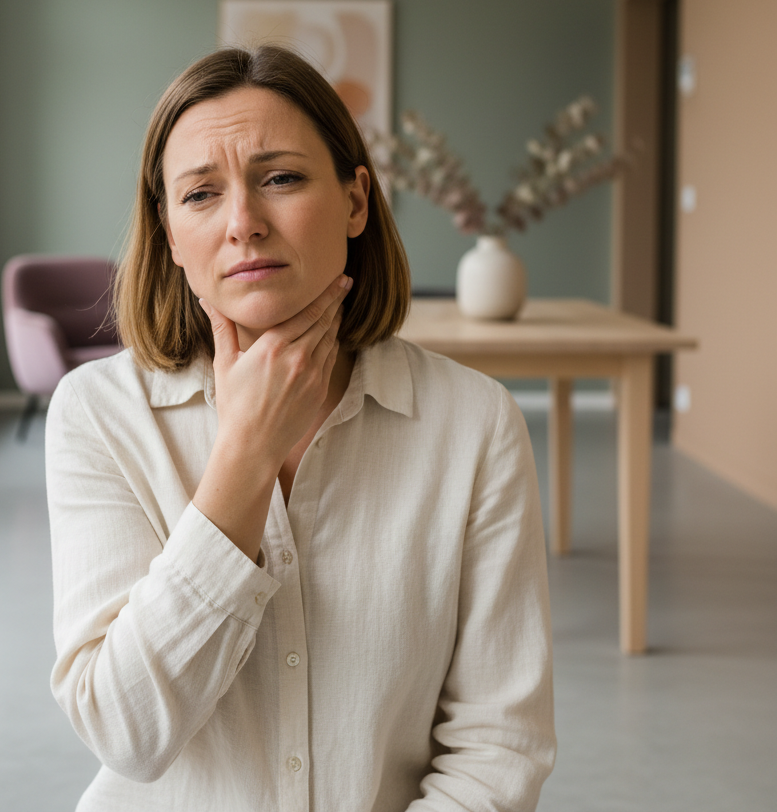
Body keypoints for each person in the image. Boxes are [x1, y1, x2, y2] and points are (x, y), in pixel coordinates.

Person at [45, 45, 555, 812]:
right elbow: (126, 733)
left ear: (355, 202)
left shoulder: (474, 423)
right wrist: (242, 461)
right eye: (200, 195)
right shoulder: (97, 415)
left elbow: (499, 747)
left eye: (280, 178)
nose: (243, 223)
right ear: (170, 233)